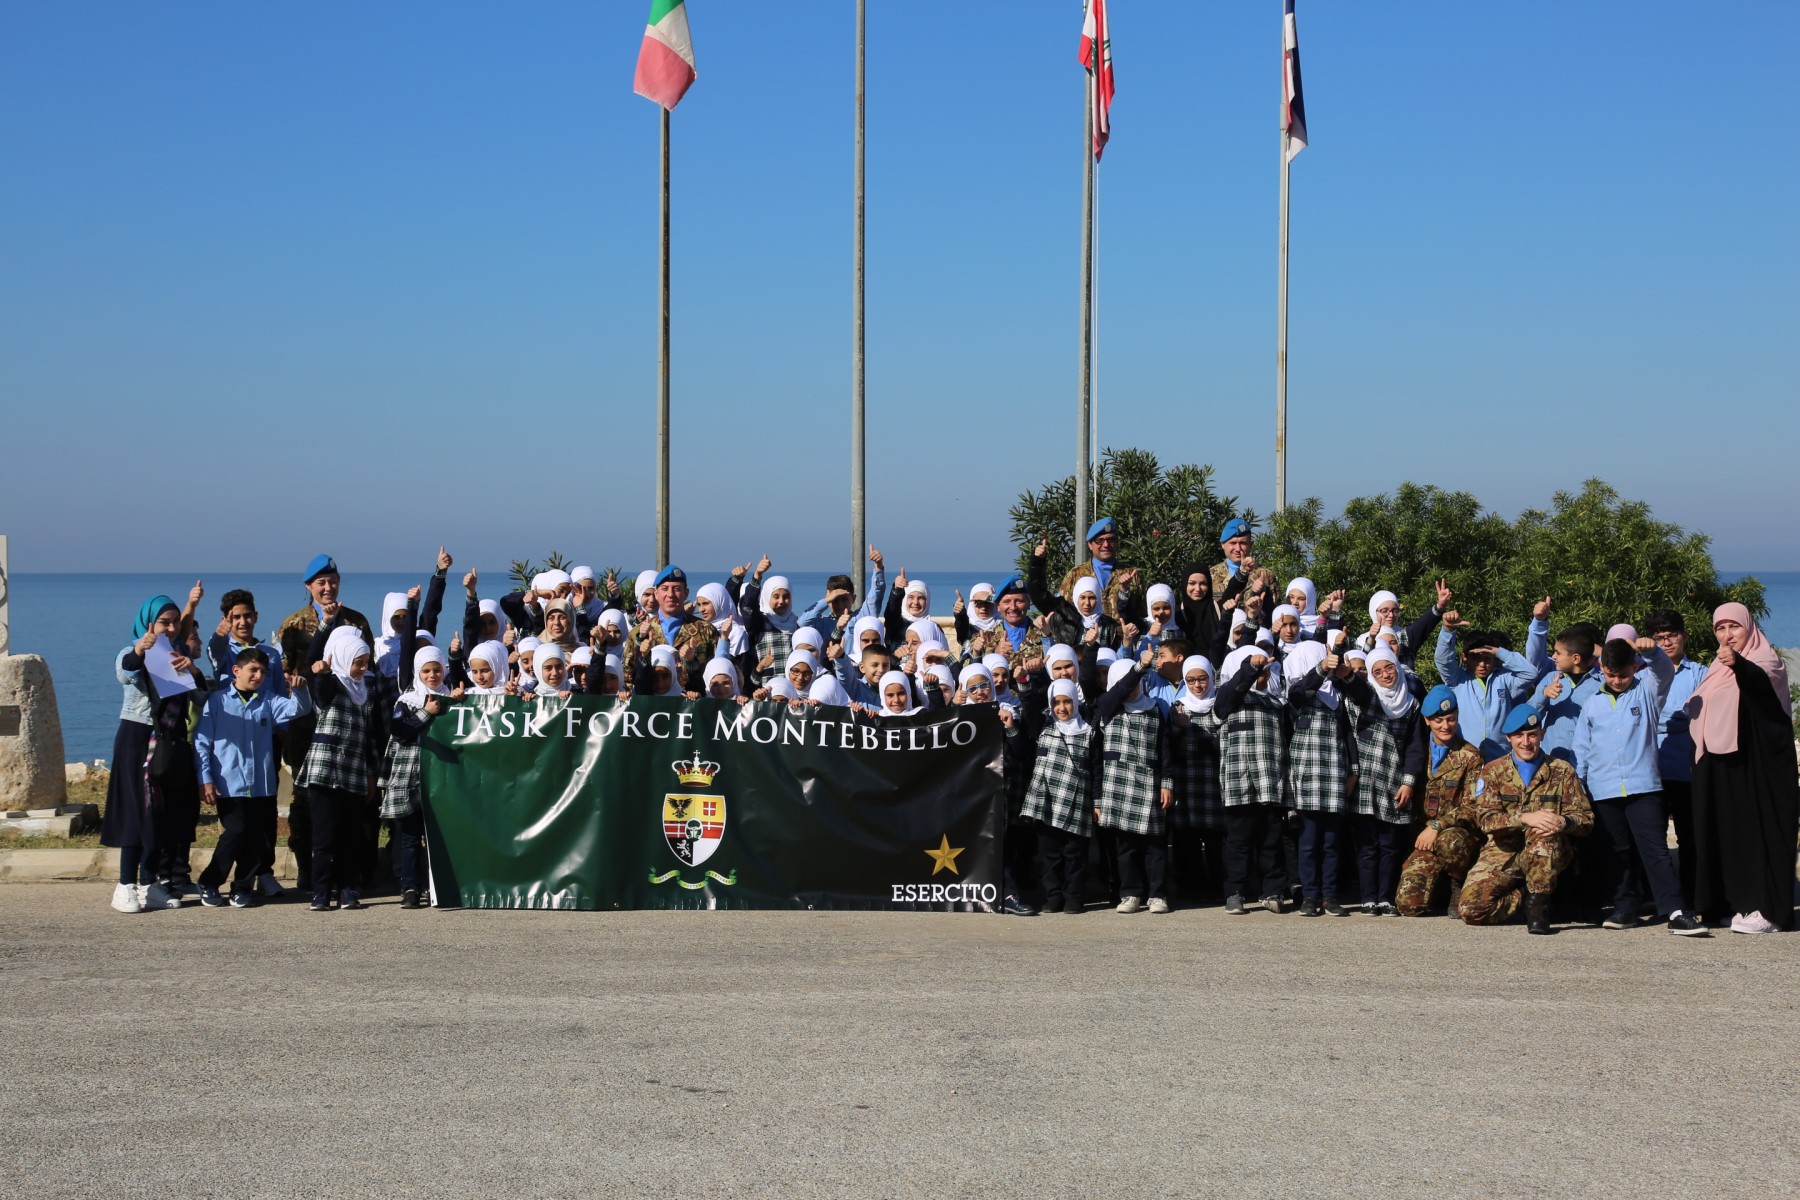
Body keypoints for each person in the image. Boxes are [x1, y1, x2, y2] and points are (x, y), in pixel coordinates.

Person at [1573, 638, 1705, 935]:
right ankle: (1625, 908)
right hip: (1603, 790)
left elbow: (1664, 671)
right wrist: (1581, 786)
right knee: (1618, 851)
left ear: (1635, 668)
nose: (1617, 681)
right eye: (1611, 675)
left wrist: (1652, 651)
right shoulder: (1592, 703)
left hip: (1644, 787)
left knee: (1655, 850)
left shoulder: (1647, 691)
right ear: (1601, 669)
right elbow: (1582, 748)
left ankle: (1675, 910)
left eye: (1623, 674)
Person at [1686, 603, 1797, 934]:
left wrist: (1740, 667)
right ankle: (1737, 903)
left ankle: (1770, 912)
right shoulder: (1715, 667)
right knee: (1731, 833)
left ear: (1749, 627)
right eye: (1720, 628)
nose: (1727, 634)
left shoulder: (1765, 661)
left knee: (1761, 834)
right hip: (1723, 764)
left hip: (1758, 767)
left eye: (1734, 626)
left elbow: (1762, 688)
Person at [103, 593, 208, 913]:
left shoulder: (177, 655)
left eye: (176, 621)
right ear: (148, 622)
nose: (172, 627)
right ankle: (124, 885)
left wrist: (192, 669)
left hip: (169, 740)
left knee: (160, 814)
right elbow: (127, 670)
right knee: (138, 811)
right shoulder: (134, 649)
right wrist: (141, 647)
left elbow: (200, 698)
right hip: (137, 737)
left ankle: (149, 883)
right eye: (165, 622)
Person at [276, 556, 374, 897]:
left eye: (332, 580)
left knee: (350, 805)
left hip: (346, 721)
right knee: (305, 802)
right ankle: (309, 871)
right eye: (321, 582)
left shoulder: (356, 620)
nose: (328, 587)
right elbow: (284, 669)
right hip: (306, 724)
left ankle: (351, 876)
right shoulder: (293, 623)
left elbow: (367, 665)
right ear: (309, 587)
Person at [194, 647, 312, 907]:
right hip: (229, 784)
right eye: (253, 670)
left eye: (263, 671)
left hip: (262, 784)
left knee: (258, 836)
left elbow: (299, 709)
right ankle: (210, 881)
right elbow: (202, 742)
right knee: (236, 831)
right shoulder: (218, 701)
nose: (258, 675)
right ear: (236, 671)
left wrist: (301, 689)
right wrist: (205, 778)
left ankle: (242, 886)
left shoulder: (268, 701)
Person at [1459, 707, 1594, 934]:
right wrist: (1524, 818)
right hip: (1503, 850)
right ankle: (1527, 896)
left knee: (1543, 834)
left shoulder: (1561, 771)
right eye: (1519, 736)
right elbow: (1485, 819)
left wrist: (1564, 822)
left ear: (1541, 734)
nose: (1526, 742)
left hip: (1549, 851)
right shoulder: (1493, 772)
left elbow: (1586, 819)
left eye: (1532, 734)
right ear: (1509, 738)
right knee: (1471, 910)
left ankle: (1539, 911)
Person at [298, 623, 383, 911]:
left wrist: (372, 773)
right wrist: (321, 671)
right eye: (357, 663)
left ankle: (347, 889)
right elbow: (319, 691)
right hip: (325, 770)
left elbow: (369, 732)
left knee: (350, 836)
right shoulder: (331, 684)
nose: (361, 668)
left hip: (354, 770)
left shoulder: (364, 692)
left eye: (365, 663)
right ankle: (320, 890)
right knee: (324, 837)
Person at [1340, 643, 1425, 915]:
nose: (1386, 675)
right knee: (1367, 844)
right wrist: (1345, 671)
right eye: (1377, 671)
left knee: (1390, 845)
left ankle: (1385, 897)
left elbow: (1415, 747)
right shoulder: (1368, 697)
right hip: (1366, 780)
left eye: (1389, 667)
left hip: (1395, 781)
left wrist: (1409, 782)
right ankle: (1368, 897)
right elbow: (1356, 688)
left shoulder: (1411, 704)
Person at [1394, 686, 1486, 917]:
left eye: (1451, 719)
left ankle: (1457, 884)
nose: (1445, 726)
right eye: (1438, 721)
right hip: (1422, 838)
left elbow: (1473, 806)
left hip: (1456, 835)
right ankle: (1436, 888)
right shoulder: (1416, 752)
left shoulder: (1470, 756)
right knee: (1410, 906)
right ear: (1427, 721)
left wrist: (1437, 825)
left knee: (1451, 842)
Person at [1213, 645, 1289, 914]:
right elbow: (1232, 692)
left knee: (1271, 841)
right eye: (1258, 671)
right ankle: (1235, 892)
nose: (1262, 676)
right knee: (1238, 842)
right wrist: (1250, 667)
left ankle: (1273, 891)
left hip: (1270, 781)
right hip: (1239, 782)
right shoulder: (1227, 699)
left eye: (1265, 671)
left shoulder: (1276, 702)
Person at [1280, 641, 1355, 917]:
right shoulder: (1299, 691)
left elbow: (1348, 735)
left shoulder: (1337, 695)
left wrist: (1354, 770)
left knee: (1332, 841)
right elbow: (1300, 692)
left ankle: (1330, 894)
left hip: (1335, 770)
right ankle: (1310, 895)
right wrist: (1321, 669)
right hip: (1307, 772)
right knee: (1309, 840)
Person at [1643, 608, 1708, 909]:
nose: (1666, 642)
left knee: (1691, 837)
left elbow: (1702, 714)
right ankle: (1656, 898)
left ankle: (1693, 895)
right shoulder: (1641, 673)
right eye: (1659, 638)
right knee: (1652, 841)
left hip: (1687, 767)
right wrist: (1679, 717)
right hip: (1649, 769)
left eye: (1672, 636)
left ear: (1684, 636)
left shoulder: (1701, 674)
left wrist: (1667, 719)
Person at [1015, 678, 1094, 914]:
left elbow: (1096, 770)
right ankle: (1053, 896)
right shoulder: (1044, 726)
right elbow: (1029, 709)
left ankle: (1073, 897)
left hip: (1076, 800)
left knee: (1074, 854)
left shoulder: (1089, 731)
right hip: (1046, 800)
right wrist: (1024, 684)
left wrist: (1097, 802)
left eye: (1067, 701)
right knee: (1049, 853)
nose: (1062, 708)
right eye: (1057, 702)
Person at [1432, 601, 1548, 760]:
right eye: (1475, 658)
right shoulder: (1457, 679)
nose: (1482, 664)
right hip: (1465, 758)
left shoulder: (1504, 680)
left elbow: (1530, 673)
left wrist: (1499, 652)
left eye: (1487, 658)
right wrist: (1447, 630)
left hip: (1500, 759)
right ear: (1464, 658)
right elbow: (1442, 660)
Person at [1168, 655, 1227, 904]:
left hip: (1213, 782)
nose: (1197, 686)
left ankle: (1218, 888)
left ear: (1211, 678)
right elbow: (1169, 747)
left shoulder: (1221, 704)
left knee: (1215, 840)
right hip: (1186, 783)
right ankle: (1189, 889)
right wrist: (1178, 729)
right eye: (1190, 680)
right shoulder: (1178, 706)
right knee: (1186, 840)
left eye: (1202, 679)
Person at [622, 566, 719, 695]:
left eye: (677, 589)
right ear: (656, 594)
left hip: (693, 709)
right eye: (664, 589)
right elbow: (627, 678)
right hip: (651, 709)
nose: (670, 595)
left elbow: (718, 674)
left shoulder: (706, 631)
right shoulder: (638, 633)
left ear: (686, 593)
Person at [1058, 516, 1142, 620]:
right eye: (1099, 540)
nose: (1106, 545)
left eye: (1111, 539)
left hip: (1124, 636)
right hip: (1087, 635)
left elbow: (1142, 615)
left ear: (1117, 542)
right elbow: (1062, 613)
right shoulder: (1075, 575)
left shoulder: (1132, 575)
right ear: (1090, 545)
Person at [1210, 517, 1255, 597]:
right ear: (1222, 544)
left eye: (1243, 543)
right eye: (1233, 543)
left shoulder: (1264, 576)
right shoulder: (1210, 576)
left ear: (1251, 545)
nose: (1238, 549)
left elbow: (1275, 609)